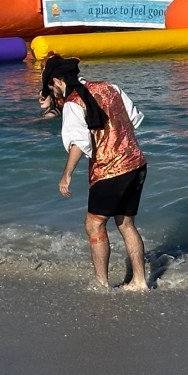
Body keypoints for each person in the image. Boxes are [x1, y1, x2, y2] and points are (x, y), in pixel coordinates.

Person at [39, 54, 149, 291]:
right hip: (137, 163)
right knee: (126, 224)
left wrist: (66, 174)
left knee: (94, 225)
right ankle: (140, 281)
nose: (52, 92)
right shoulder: (109, 86)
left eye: (51, 86)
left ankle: (102, 283)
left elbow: (79, 143)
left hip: (110, 171)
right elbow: (133, 118)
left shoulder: (73, 103)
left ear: (58, 81)